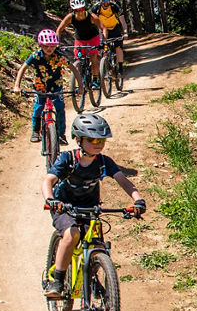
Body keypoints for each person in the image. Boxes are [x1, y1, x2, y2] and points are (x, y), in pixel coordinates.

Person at [41, 113, 146, 298]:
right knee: (72, 234)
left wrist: (137, 200)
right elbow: (48, 180)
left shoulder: (104, 162)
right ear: (78, 139)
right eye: (92, 139)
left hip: (90, 207)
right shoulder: (67, 159)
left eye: (102, 140)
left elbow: (124, 181)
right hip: (64, 206)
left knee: (97, 242)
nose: (98, 144)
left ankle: (92, 276)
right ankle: (56, 280)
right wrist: (51, 200)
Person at [12, 29, 82, 145]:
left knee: (59, 108)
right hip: (40, 86)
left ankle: (60, 134)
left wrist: (80, 86)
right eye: (46, 46)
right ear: (41, 45)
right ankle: (35, 131)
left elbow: (74, 69)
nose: (49, 49)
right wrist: (16, 86)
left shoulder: (60, 57)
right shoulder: (35, 56)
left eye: (52, 46)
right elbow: (23, 68)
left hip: (56, 86)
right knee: (38, 108)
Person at [56, 0, 103, 88]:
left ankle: (95, 79)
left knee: (93, 56)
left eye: (81, 9)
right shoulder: (70, 17)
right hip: (80, 38)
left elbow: (103, 28)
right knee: (78, 59)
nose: (80, 11)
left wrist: (103, 41)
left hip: (93, 37)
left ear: (84, 8)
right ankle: (80, 80)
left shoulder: (91, 17)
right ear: (73, 10)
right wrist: (56, 43)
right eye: (77, 10)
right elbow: (59, 30)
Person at [92, 0, 129, 75]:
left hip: (115, 28)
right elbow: (92, 20)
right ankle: (104, 68)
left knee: (118, 47)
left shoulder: (114, 6)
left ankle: (120, 68)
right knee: (104, 47)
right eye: (104, 0)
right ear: (101, 0)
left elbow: (122, 19)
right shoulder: (96, 8)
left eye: (108, 0)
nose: (106, 2)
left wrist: (125, 31)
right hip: (103, 29)